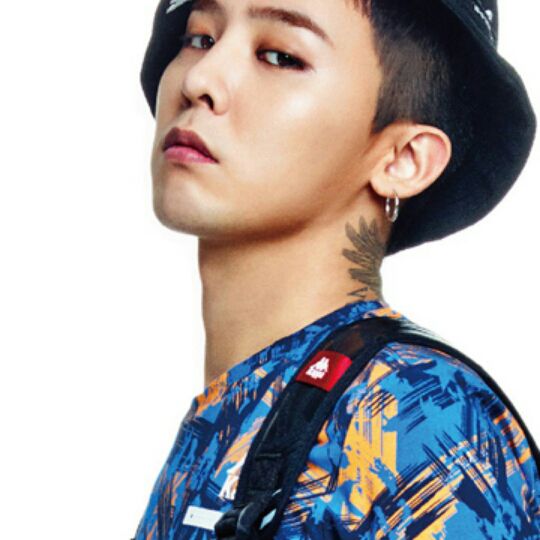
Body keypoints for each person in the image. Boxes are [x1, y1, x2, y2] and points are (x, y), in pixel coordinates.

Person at [133, 0, 540, 537]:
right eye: (200, 39)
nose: (199, 80)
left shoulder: (413, 415)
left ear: (402, 159)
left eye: (280, 56)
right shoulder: (229, 411)